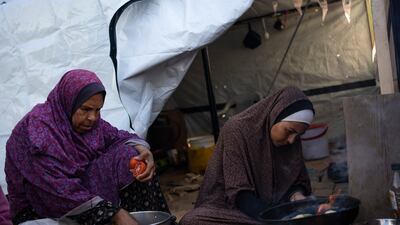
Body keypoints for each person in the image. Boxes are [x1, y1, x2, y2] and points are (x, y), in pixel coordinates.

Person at [5, 69, 170, 225]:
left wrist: (144, 151)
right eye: (85, 109)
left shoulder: (89, 123)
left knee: (131, 156)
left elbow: (118, 136)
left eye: (98, 110)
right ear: (68, 101)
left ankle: (144, 218)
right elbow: (57, 191)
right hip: (42, 205)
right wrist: (115, 213)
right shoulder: (39, 131)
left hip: (81, 189)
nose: (92, 117)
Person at [179, 86, 315, 225]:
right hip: (236, 210)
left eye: (298, 135)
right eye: (289, 131)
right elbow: (240, 196)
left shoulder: (292, 140)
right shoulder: (236, 130)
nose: (292, 140)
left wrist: (295, 195)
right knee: (192, 220)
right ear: (275, 115)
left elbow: (297, 180)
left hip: (277, 211)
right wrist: (274, 218)